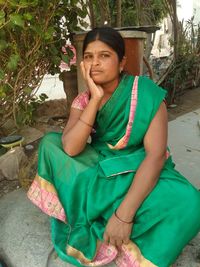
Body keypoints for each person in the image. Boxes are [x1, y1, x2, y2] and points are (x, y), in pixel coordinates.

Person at [27, 27, 200, 267]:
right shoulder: (84, 100)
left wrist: (124, 216)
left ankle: (107, 215)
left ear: (121, 62)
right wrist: (95, 99)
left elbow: (156, 156)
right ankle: (105, 211)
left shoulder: (145, 94)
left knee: (190, 201)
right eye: (88, 56)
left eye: (104, 56)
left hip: (139, 168)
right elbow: (70, 149)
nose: (94, 63)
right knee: (50, 143)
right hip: (102, 166)